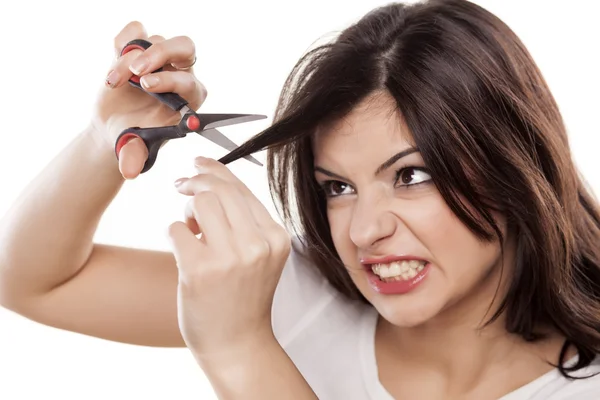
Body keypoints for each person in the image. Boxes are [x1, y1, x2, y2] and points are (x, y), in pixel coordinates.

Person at [1, 0, 599, 398]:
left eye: (411, 176)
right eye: (337, 187)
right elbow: (29, 282)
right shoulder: (297, 295)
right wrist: (104, 137)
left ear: (515, 164)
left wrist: (241, 352)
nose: (364, 231)